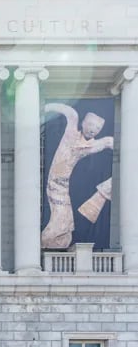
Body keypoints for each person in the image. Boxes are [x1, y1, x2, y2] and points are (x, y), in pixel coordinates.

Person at [41, 103, 113, 249]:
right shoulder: (71, 133)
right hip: (54, 184)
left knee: (66, 222)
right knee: (62, 221)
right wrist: (44, 107)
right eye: (91, 124)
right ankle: (47, 242)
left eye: (98, 128)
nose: (93, 130)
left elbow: (108, 142)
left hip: (63, 187)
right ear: (83, 123)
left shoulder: (93, 145)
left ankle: (56, 243)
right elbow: (71, 113)